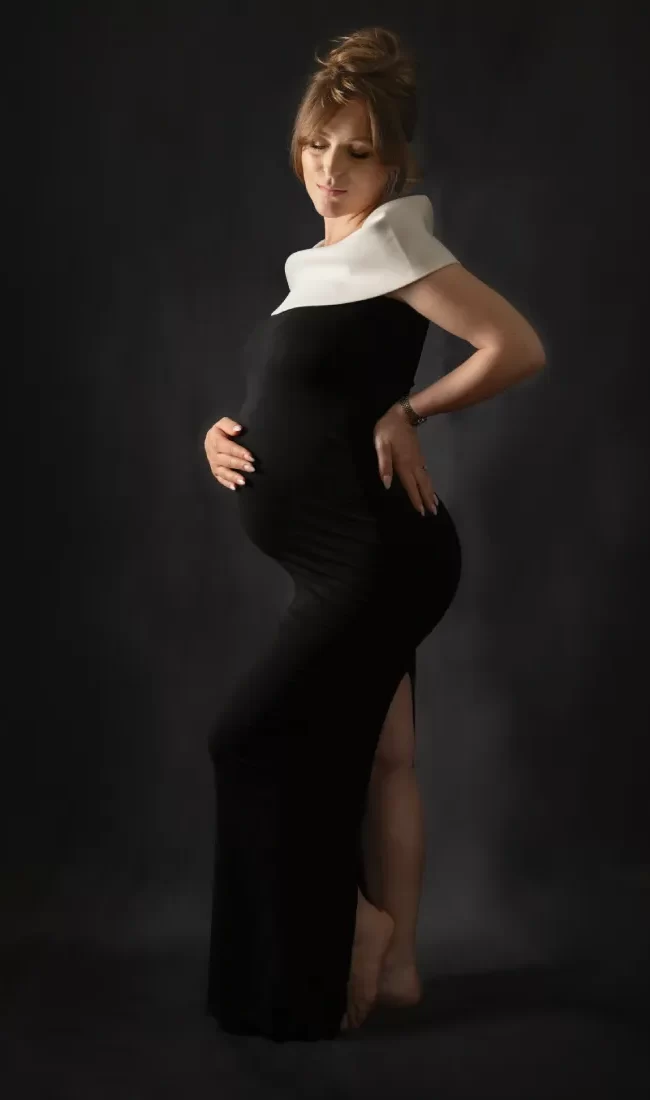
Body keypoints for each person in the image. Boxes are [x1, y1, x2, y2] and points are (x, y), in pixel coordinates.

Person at [203, 26, 545, 1043]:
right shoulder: (323, 263)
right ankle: (396, 970)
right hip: (340, 559)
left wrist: (413, 410)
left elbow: (514, 345)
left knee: (249, 739)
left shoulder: (394, 241)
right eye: (318, 145)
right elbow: (305, 396)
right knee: (388, 757)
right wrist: (224, 434)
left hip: (374, 557)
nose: (331, 169)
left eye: (356, 151)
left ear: (393, 162)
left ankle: (354, 923)